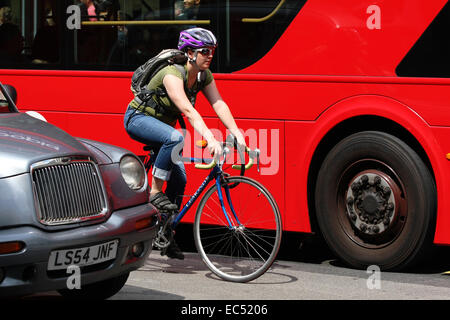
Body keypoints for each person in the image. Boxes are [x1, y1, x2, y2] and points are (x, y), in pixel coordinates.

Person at [123, 28, 246, 259]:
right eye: (204, 51)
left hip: (163, 128)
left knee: (180, 178)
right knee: (176, 137)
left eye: (212, 51)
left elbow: (218, 103)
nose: (210, 55)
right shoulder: (172, 73)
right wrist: (210, 137)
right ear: (189, 52)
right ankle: (155, 191)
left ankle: (165, 234)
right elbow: (188, 110)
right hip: (138, 119)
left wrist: (236, 132)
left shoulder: (203, 75)